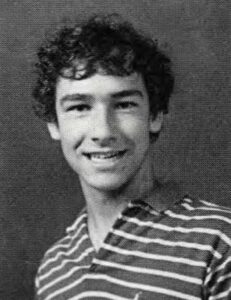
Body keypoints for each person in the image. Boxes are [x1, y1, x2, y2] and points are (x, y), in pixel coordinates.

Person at [33, 14, 231, 300]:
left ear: (155, 116)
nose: (103, 131)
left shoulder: (220, 241)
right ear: (54, 123)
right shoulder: (53, 269)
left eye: (124, 104)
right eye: (79, 107)